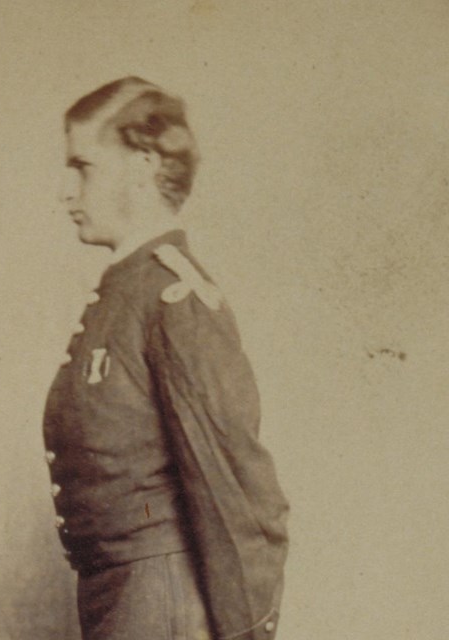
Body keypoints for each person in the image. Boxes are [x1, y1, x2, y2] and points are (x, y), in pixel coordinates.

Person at [42, 76, 289, 640]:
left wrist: (245, 631)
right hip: (120, 599)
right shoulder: (124, 294)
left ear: (142, 165)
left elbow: (240, 493)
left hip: (161, 603)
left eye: (84, 167)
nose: (66, 190)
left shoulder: (175, 301)